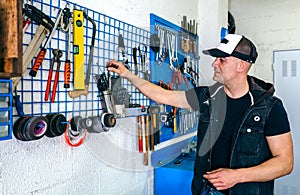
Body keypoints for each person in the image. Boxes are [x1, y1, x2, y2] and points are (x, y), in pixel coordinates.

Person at [106, 34, 294, 195]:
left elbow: (285, 163)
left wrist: (237, 176)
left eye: (222, 59)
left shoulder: (269, 108)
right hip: (206, 190)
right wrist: (128, 75)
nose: (214, 64)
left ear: (241, 66)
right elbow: (163, 95)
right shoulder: (206, 97)